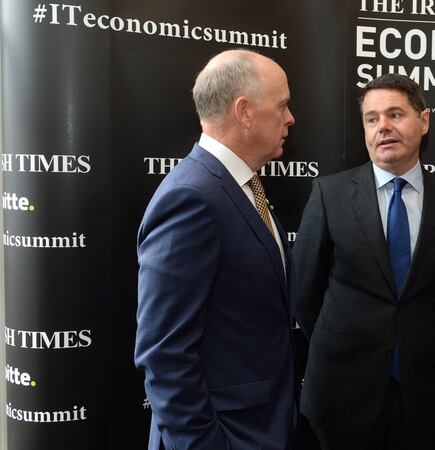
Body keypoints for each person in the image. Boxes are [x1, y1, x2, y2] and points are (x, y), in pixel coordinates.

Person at [293, 73, 435, 450]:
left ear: (423, 121)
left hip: (422, 399)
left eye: (395, 114)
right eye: (372, 118)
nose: (383, 127)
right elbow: (305, 292)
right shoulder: (330, 194)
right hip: (341, 396)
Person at [135, 49, 298, 450]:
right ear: (244, 111)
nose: (291, 118)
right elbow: (165, 353)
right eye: (282, 105)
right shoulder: (192, 197)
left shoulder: (241, 188)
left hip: (265, 427)